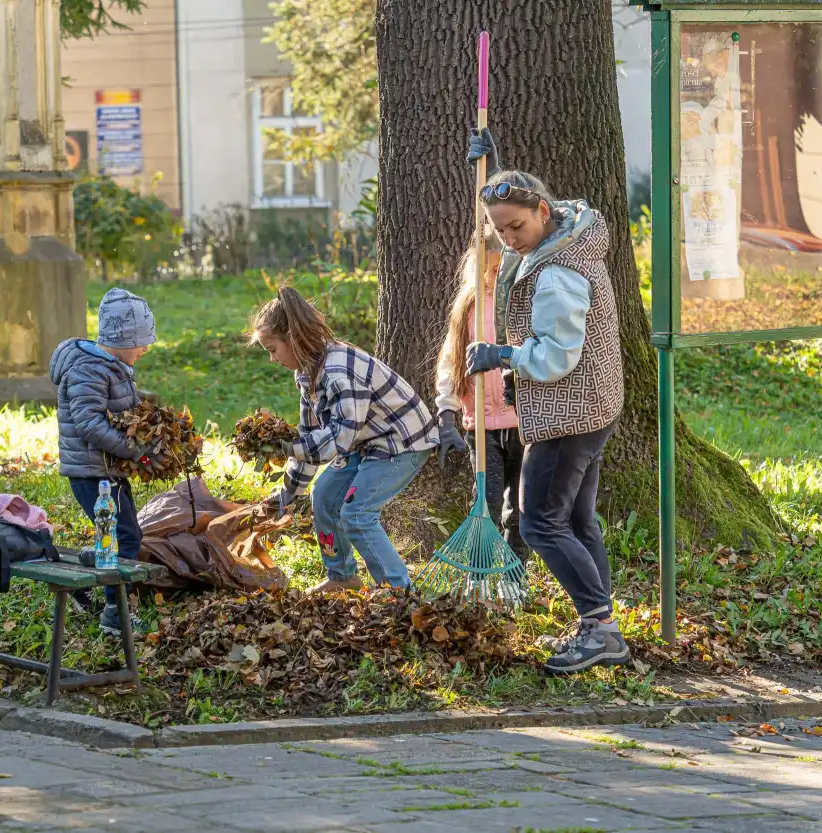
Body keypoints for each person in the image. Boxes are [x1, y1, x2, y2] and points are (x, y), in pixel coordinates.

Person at [465, 134, 629, 675]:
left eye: (516, 227)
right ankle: (603, 626)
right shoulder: (561, 236)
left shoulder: (559, 271)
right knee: (578, 518)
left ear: (542, 211)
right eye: (498, 229)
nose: (508, 239)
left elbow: (557, 355)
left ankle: (600, 628)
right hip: (592, 406)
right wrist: (487, 169)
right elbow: (505, 213)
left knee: (538, 522)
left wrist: (502, 354)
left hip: (570, 413)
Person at [252, 286, 438, 592]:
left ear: (294, 338)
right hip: (365, 442)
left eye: (272, 349)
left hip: (400, 442)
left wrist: (288, 447)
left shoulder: (338, 371)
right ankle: (342, 577)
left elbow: (337, 439)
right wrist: (289, 493)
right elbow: (311, 437)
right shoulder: (306, 372)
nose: (272, 358)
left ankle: (396, 590)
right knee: (323, 495)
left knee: (357, 513)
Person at [50, 288, 163, 636]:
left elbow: (117, 408)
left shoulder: (112, 366)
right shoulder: (89, 370)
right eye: (141, 342)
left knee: (123, 533)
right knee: (125, 537)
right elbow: (89, 423)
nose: (145, 348)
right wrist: (135, 450)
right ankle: (115, 614)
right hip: (91, 471)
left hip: (105, 469)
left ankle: (87, 574)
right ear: (119, 339)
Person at [435, 229, 529, 566]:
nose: (492, 278)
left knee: (519, 508)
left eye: (498, 270)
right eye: (487, 270)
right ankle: (479, 571)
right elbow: (450, 361)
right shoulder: (467, 307)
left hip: (522, 422)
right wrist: (446, 412)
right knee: (484, 505)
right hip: (481, 424)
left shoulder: (522, 303)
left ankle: (514, 573)